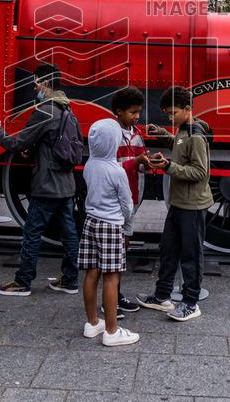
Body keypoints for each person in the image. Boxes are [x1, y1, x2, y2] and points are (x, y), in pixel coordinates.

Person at [0, 63, 80, 297]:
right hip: (66, 185)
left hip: (46, 186)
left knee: (32, 233)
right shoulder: (67, 109)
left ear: (46, 83)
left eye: (37, 83)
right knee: (69, 233)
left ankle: (22, 282)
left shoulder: (45, 111)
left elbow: (17, 143)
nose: (34, 88)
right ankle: (70, 280)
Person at [137, 86, 212, 322]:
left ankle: (191, 303)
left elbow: (200, 172)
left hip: (192, 206)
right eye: (167, 114)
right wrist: (162, 134)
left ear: (188, 109)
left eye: (173, 113)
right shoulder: (183, 130)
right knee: (168, 251)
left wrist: (168, 167)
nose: (170, 117)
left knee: (191, 255)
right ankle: (162, 297)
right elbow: (180, 148)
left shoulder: (196, 135)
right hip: (179, 203)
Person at [80, 118, 139, 346]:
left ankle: (93, 323)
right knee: (112, 277)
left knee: (91, 273)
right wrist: (126, 224)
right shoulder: (117, 171)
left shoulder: (90, 165)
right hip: (111, 226)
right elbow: (128, 204)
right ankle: (112, 331)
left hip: (91, 222)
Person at [111, 87, 149, 314]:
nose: (136, 116)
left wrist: (147, 161)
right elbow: (110, 166)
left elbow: (138, 157)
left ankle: (116, 294)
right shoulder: (111, 134)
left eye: (138, 112)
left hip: (130, 197)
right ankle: (111, 299)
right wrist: (137, 162)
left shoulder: (135, 132)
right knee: (114, 251)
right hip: (116, 198)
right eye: (133, 112)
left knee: (123, 248)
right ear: (119, 111)